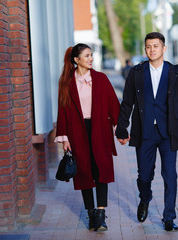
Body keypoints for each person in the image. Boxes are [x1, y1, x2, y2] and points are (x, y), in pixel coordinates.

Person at [115, 32, 178, 231]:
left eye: (156, 46)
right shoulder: (136, 72)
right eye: (148, 46)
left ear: (164, 48)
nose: (152, 50)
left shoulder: (174, 72)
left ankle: (168, 217)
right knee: (144, 176)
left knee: (170, 175)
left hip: (168, 133)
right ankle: (145, 198)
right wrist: (121, 129)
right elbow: (127, 102)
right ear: (145, 49)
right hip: (145, 132)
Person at [55, 43, 120, 232]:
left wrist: (120, 129)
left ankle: (100, 215)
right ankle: (91, 213)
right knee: (84, 171)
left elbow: (113, 105)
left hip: (100, 128)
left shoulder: (101, 79)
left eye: (91, 55)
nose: (91, 59)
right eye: (87, 56)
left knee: (101, 169)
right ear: (76, 60)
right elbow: (63, 111)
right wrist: (64, 137)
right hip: (77, 131)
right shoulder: (67, 82)